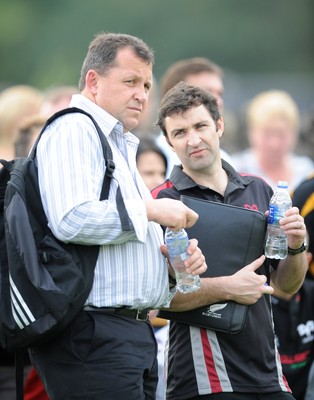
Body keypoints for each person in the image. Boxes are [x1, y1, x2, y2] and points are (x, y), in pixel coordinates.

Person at [29, 32, 206, 400]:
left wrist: (172, 266)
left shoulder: (114, 139)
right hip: (92, 334)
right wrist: (152, 209)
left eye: (145, 84)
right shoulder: (74, 128)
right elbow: (72, 218)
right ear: (93, 81)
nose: (142, 94)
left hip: (125, 333)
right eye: (130, 82)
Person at [152, 82, 308, 399]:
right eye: (180, 133)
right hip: (203, 379)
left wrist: (296, 247)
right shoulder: (162, 201)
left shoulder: (262, 190)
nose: (193, 140)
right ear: (169, 142)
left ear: (219, 126)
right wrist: (226, 287)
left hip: (269, 374)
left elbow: (285, 287)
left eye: (200, 126)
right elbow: (154, 301)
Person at [155, 57, 233, 176]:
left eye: (219, 93)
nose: (218, 101)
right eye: (206, 93)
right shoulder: (153, 158)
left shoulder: (225, 160)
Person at [231, 90, 314, 191]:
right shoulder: (236, 170)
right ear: (252, 132)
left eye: (281, 135)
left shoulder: (305, 171)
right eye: (267, 134)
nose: (274, 144)